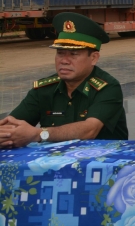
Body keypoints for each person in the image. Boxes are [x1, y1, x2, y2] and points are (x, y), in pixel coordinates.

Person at [0, 13, 128, 147]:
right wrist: (7, 134)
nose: (64, 61)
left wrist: (39, 134)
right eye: (60, 53)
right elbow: (12, 125)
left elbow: (89, 130)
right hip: (51, 163)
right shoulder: (44, 89)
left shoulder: (107, 88)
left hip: (99, 163)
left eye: (74, 54)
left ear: (94, 58)